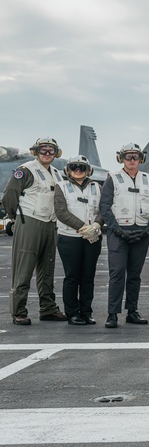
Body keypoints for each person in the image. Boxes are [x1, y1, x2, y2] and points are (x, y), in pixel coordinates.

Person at [2, 136, 67, 325]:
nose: (47, 153)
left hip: (50, 224)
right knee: (24, 269)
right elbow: (9, 196)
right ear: (36, 151)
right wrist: (15, 218)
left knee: (47, 269)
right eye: (43, 149)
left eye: (51, 150)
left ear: (56, 153)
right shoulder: (25, 170)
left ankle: (48, 308)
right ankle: (18, 311)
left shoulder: (57, 173)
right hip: (29, 222)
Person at [99, 143, 149, 328]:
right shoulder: (113, 179)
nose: (132, 160)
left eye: (136, 156)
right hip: (118, 233)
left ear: (140, 159)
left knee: (135, 274)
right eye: (128, 156)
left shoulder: (147, 180)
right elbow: (105, 207)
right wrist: (116, 229)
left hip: (141, 233)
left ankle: (132, 311)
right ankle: (112, 314)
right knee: (117, 273)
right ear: (121, 158)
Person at [54, 155, 103, 326]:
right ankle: (72, 313)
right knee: (72, 277)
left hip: (93, 238)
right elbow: (61, 212)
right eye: (74, 167)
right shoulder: (61, 187)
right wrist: (83, 228)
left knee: (88, 277)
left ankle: (86, 312)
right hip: (69, 238)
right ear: (68, 170)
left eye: (82, 167)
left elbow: (104, 209)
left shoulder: (97, 187)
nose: (77, 170)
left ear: (88, 170)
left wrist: (96, 225)